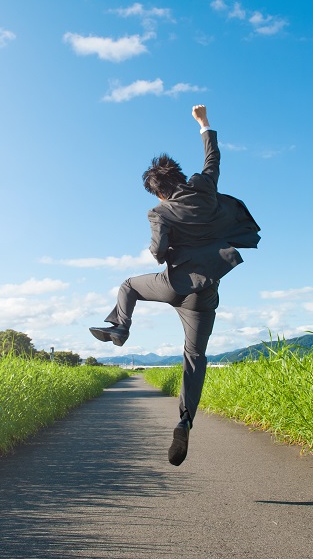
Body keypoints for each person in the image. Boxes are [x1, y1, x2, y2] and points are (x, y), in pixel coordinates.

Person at [90, 104, 260, 466]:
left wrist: (163, 236)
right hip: (204, 291)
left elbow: (157, 252)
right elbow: (213, 157)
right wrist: (204, 124)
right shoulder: (206, 187)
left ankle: (120, 329)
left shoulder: (160, 212)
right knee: (194, 357)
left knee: (128, 285)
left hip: (171, 284)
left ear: (157, 193)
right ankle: (184, 421)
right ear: (180, 176)